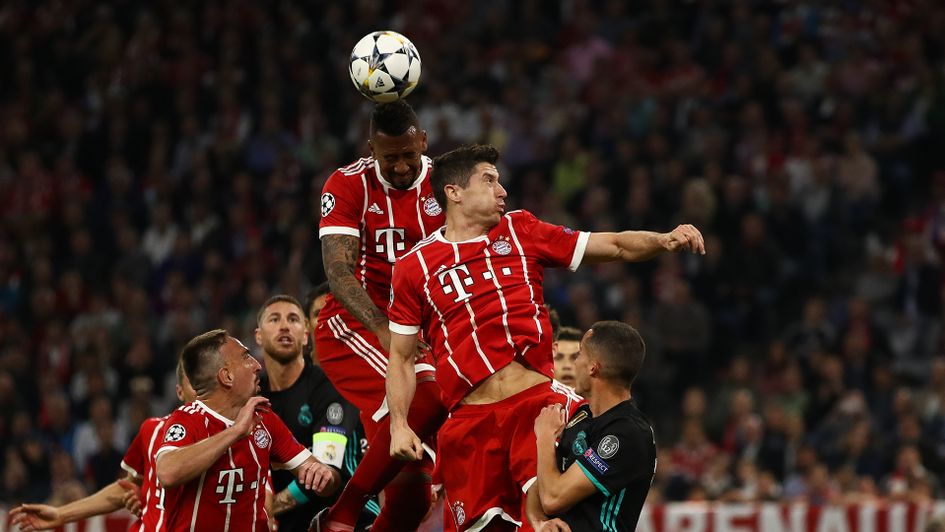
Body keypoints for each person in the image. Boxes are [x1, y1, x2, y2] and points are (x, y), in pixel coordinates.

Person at [386, 144, 703, 530]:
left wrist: (663, 239)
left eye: (500, 181)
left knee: (556, 519)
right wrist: (399, 424)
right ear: (454, 193)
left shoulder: (521, 230)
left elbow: (614, 244)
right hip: (469, 424)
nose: (502, 191)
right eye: (489, 180)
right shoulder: (412, 267)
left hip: (536, 409)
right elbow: (401, 358)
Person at [315, 100, 447, 531]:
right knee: (428, 395)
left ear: (423, 142)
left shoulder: (448, 184)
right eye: (390, 158)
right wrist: (382, 329)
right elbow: (337, 271)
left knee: (412, 489)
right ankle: (343, 513)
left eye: (409, 155)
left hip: (422, 329)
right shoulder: (347, 184)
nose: (403, 167)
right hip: (356, 327)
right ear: (372, 148)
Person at [155, 329, 339, 531]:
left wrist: (324, 475)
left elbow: (325, 479)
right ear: (226, 376)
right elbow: (168, 473)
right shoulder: (187, 420)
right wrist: (236, 431)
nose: (257, 365)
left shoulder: (264, 419)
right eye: (246, 357)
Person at [10, 363, 197, 531]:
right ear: (179, 391)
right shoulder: (154, 431)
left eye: (208, 384)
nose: (202, 392)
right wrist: (61, 514)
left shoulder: (225, 437)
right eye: (195, 384)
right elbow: (125, 488)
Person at [256, 294, 376, 531]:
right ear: (258, 336)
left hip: (345, 519)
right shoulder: (252, 396)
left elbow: (324, 471)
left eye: (293, 319)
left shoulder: (329, 386)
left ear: (305, 336)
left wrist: (266, 509)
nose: (284, 326)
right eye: (274, 319)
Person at [534, 321, 657, 531]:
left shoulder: (628, 433)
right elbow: (539, 484)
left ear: (593, 367)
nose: (574, 363)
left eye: (579, 354)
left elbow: (553, 497)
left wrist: (545, 438)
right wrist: (540, 522)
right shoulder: (581, 416)